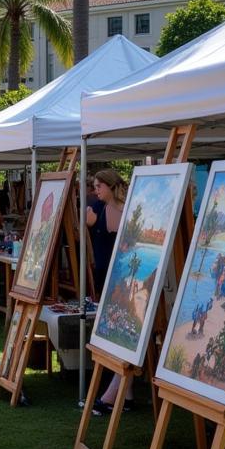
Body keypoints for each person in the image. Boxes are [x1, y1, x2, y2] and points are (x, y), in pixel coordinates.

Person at [86, 169, 130, 416]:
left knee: (120, 333)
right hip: (105, 278)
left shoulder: (128, 209)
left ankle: (115, 394)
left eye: (99, 186)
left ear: (111, 186)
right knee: (115, 333)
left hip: (122, 279)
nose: (95, 190)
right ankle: (125, 394)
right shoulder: (95, 210)